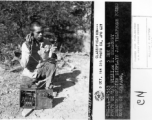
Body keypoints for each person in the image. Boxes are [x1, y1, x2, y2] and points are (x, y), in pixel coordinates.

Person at [20, 21, 57, 89]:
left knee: (52, 64)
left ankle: (48, 86)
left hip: (42, 71)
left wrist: (52, 53)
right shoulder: (25, 45)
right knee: (28, 89)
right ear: (32, 33)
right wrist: (28, 48)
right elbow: (23, 65)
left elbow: (49, 60)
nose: (41, 34)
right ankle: (38, 82)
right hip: (29, 74)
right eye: (38, 32)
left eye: (42, 32)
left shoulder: (47, 43)